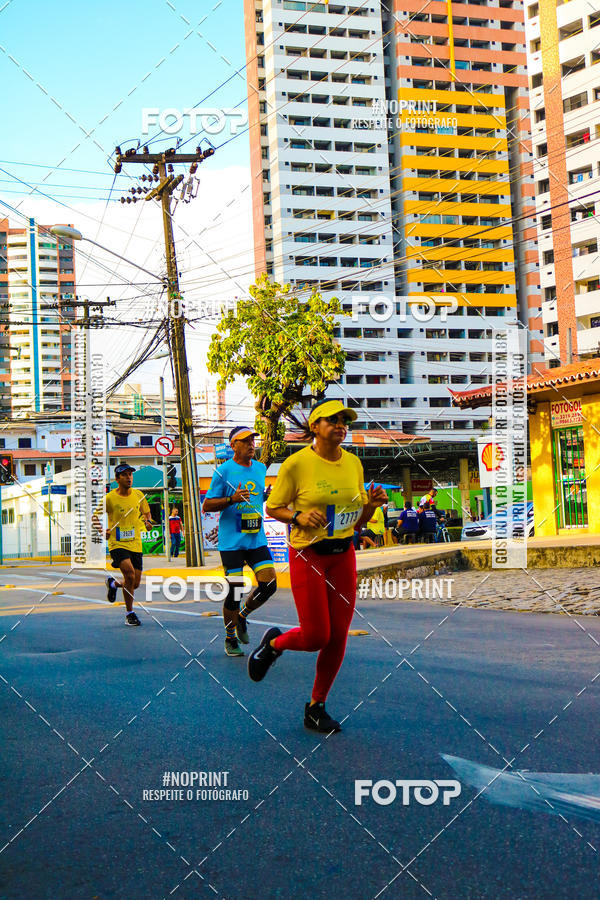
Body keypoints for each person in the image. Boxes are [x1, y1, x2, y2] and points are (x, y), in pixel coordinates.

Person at [247, 399, 387, 734]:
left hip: (343, 553)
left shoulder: (353, 464)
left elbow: (355, 522)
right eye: (332, 420)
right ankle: (274, 644)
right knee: (316, 636)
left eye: (344, 420)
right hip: (307, 553)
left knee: (338, 636)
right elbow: (272, 507)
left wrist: (370, 506)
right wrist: (298, 516)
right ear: (314, 426)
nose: (340, 425)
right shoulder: (296, 465)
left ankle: (316, 707)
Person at [202, 426, 277, 657]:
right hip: (232, 542)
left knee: (269, 585)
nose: (251, 444)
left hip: (255, 538)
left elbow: (257, 496)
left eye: (253, 440)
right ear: (233, 445)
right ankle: (229, 637)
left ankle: (242, 616)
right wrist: (231, 499)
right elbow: (207, 505)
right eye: (245, 441)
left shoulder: (261, 468)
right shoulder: (223, 472)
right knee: (235, 591)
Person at [104, 464, 153, 626]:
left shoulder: (138, 495)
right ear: (117, 479)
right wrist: (101, 530)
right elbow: (94, 516)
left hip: (135, 543)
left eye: (130, 475)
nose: (128, 478)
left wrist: (147, 521)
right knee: (130, 575)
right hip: (117, 543)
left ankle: (114, 584)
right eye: (124, 475)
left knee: (135, 583)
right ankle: (130, 613)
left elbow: (146, 512)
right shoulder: (110, 498)